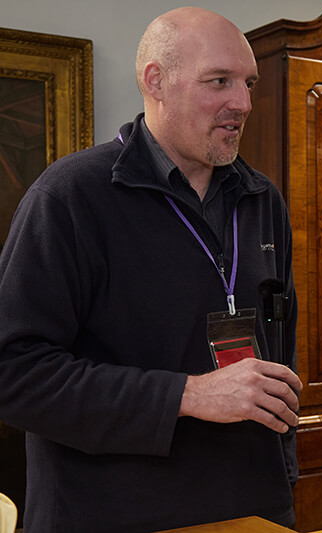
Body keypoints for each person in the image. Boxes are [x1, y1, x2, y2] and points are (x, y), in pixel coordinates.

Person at [0, 7, 304, 532]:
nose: (244, 103)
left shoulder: (263, 200)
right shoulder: (70, 196)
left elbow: (278, 348)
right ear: (156, 81)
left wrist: (284, 475)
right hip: (112, 514)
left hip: (254, 509)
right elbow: (13, 374)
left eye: (248, 83)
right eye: (220, 81)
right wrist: (189, 395)